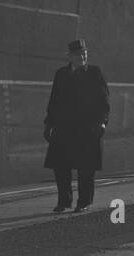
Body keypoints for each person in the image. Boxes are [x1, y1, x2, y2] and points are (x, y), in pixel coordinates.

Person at [43, 38, 110, 213]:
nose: (83, 56)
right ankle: (64, 201)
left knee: (85, 168)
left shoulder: (95, 73)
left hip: (87, 128)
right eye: (79, 54)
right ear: (70, 56)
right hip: (64, 127)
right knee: (61, 166)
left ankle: (84, 202)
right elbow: (54, 101)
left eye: (84, 53)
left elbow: (104, 101)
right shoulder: (61, 74)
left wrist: (102, 123)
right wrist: (48, 124)